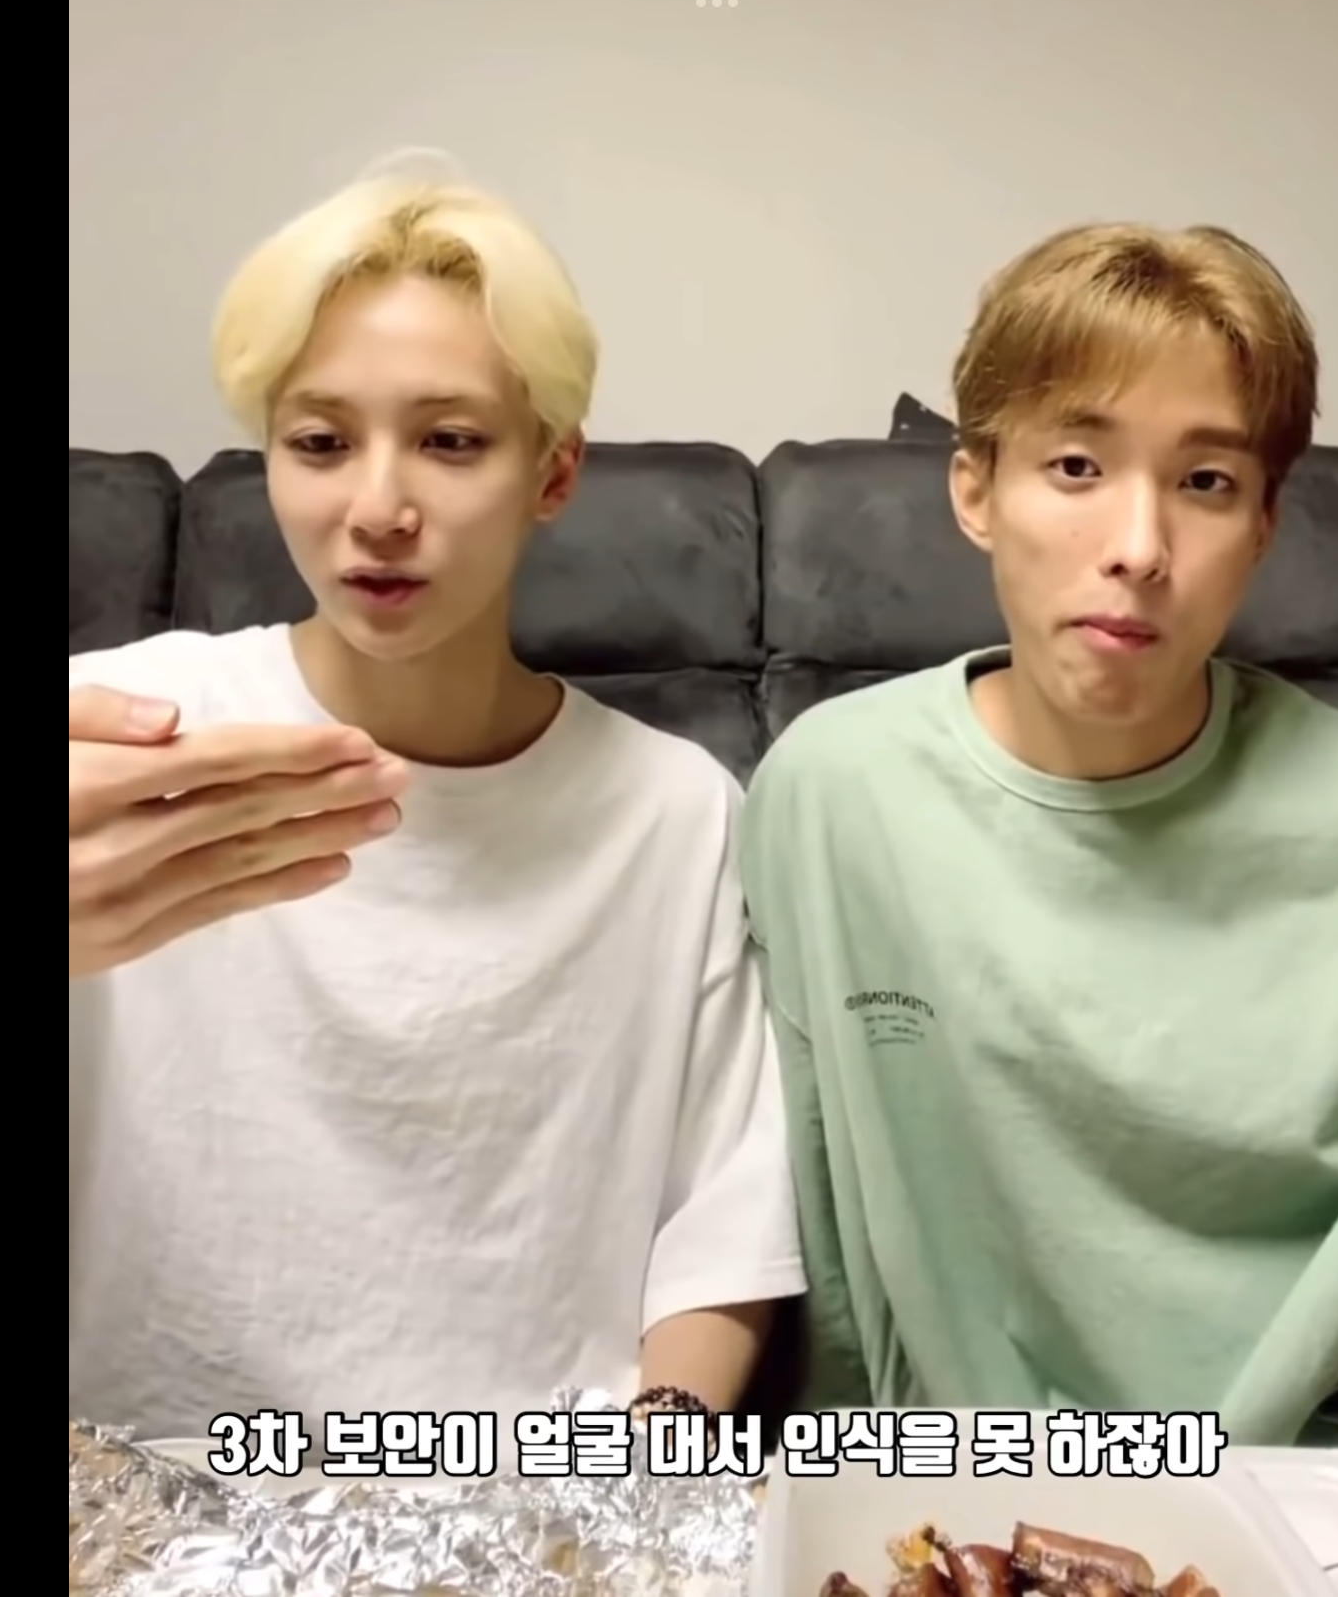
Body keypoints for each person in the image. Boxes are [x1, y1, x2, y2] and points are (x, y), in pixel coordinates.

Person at [67, 164, 804, 1446]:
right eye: (320, 443)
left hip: (552, 1504)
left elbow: (727, 1223)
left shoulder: (675, 814)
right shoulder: (124, 738)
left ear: (554, 472)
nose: (377, 510)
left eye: (451, 441)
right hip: (150, 1489)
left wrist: (647, 1471)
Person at [739, 223, 1338, 1447]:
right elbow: (822, 1243)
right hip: (952, 1492)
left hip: (1307, 1482)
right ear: (975, 490)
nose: (1138, 548)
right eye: (1077, 466)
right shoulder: (834, 794)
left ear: (1266, 522)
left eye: (1206, 483)